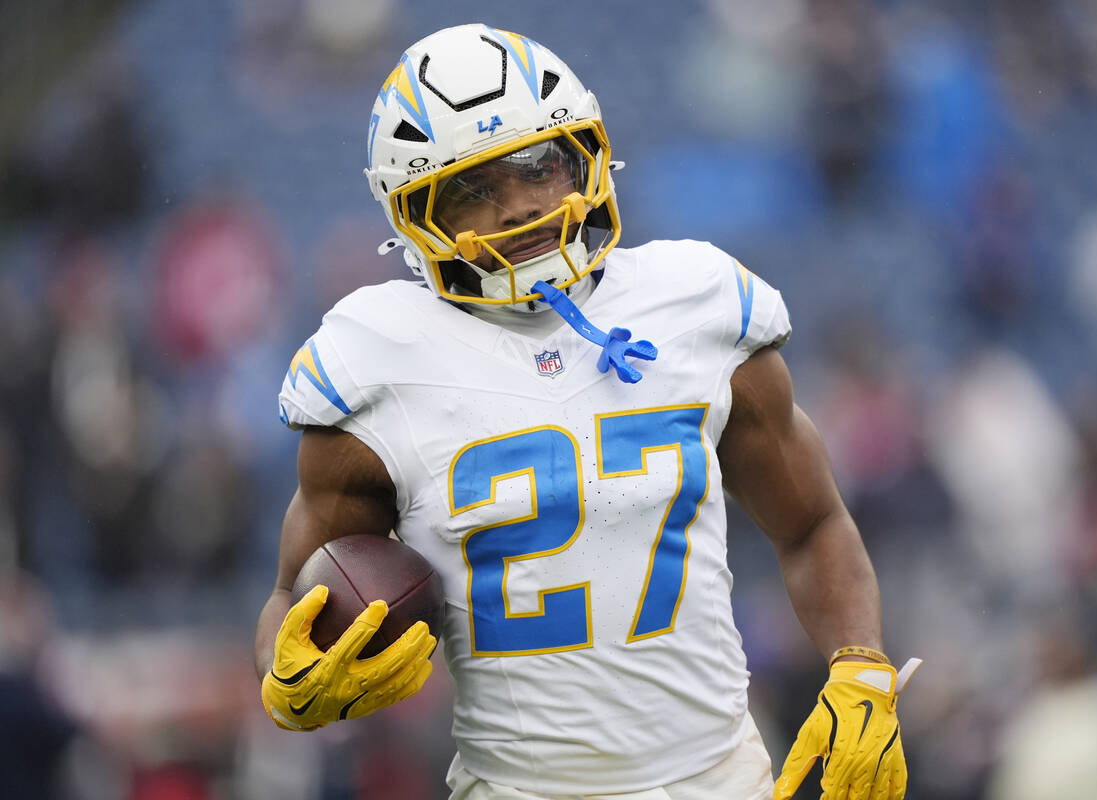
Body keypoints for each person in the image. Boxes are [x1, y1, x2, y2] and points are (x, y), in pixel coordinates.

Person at [254, 23, 919, 800]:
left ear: (586, 156)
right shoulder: (376, 361)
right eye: (473, 188)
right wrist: (286, 675)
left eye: (540, 166)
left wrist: (861, 665)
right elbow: (288, 598)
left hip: (721, 779)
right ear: (415, 211)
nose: (518, 207)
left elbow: (813, 525)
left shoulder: (697, 305)